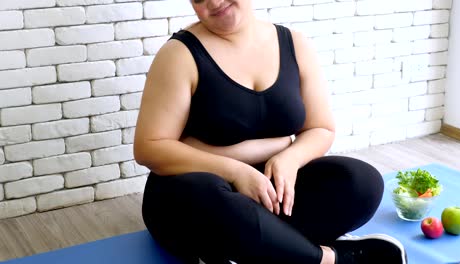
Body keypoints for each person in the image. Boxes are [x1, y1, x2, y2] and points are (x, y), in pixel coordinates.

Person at [134, 0, 407, 263]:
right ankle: (330, 258)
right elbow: (150, 147)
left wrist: (289, 158)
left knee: (361, 182)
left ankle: (265, 249)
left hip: (269, 190)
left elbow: (320, 128)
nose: (214, 2)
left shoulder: (294, 44)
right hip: (198, 194)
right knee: (215, 199)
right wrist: (236, 170)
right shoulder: (179, 54)